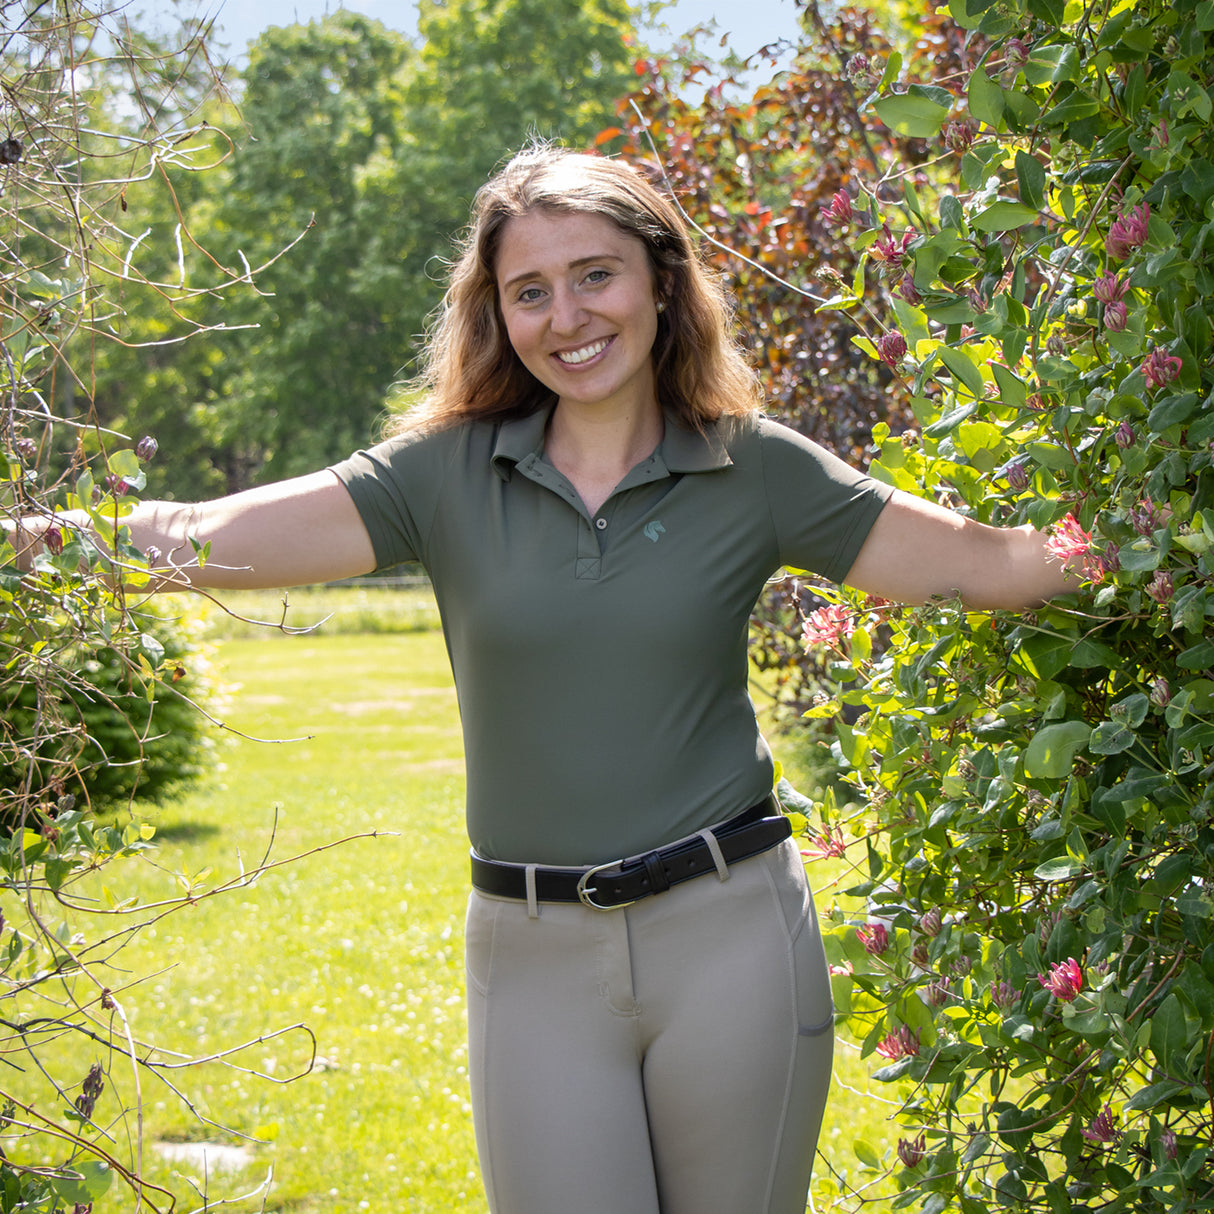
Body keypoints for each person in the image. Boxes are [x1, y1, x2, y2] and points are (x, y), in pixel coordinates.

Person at [8, 146, 1080, 1214]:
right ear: (498, 314)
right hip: (529, 956)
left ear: (661, 281)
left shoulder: (756, 468)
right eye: (530, 291)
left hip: (734, 936)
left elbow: (987, 564)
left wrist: (1136, 538)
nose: (567, 316)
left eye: (594, 275)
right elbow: (193, 534)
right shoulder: (441, 476)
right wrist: (28, 544)